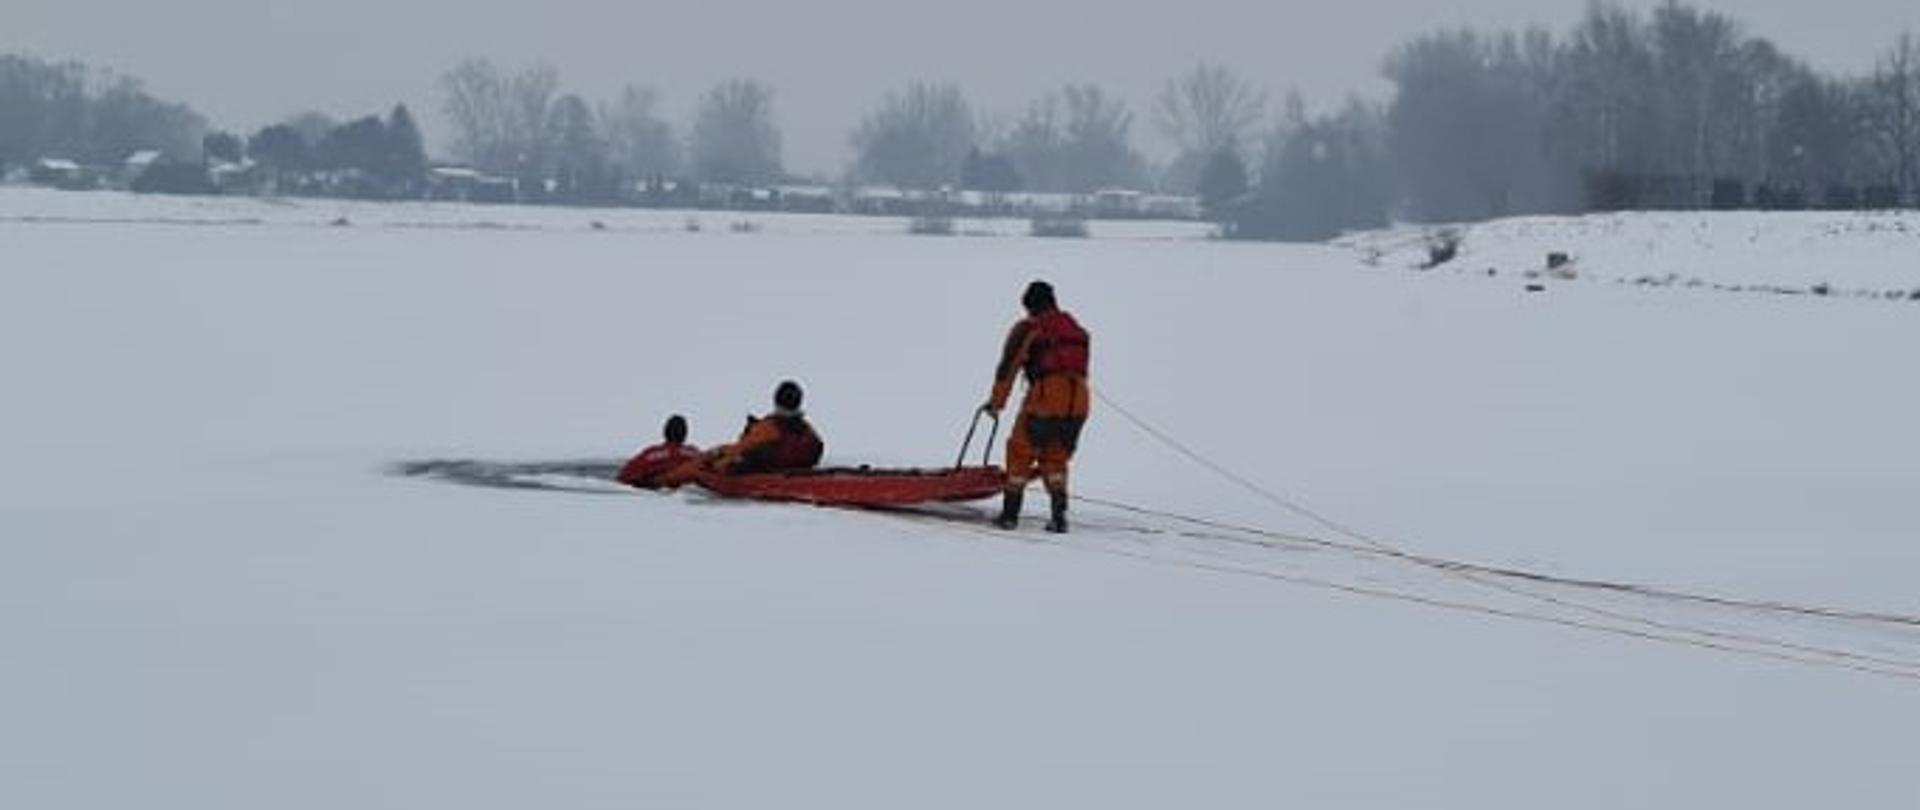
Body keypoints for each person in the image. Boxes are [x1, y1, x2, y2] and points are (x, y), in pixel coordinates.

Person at [983, 280, 1090, 533]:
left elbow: (1007, 368)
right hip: (1079, 401)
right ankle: (1059, 517)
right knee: (1055, 456)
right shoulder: (1076, 330)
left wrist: (996, 403)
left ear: (1029, 305)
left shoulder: (1028, 328)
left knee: (1020, 451)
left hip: (1046, 398)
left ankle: (1009, 516)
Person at [661, 380, 825, 485]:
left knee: (714, 454)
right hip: (792, 469)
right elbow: (817, 448)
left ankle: (664, 480)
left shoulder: (768, 428)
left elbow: (741, 449)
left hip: (761, 471)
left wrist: (717, 466)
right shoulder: (807, 429)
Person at [616, 414, 702, 489]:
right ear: (685, 434)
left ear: (665, 432)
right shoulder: (694, 453)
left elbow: (624, 476)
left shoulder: (651, 453)